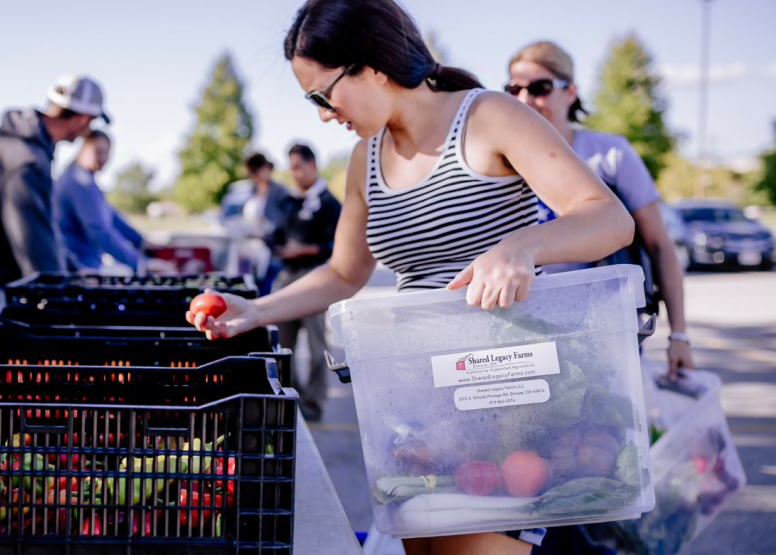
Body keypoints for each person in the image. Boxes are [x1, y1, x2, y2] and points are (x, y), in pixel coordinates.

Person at [189, 1, 634, 554]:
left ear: (370, 66)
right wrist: (256, 310)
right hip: (417, 413)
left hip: (501, 400)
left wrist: (521, 245)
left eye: (322, 95)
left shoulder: (489, 115)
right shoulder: (362, 158)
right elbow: (344, 272)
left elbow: (610, 217)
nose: (323, 114)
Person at [507, 41, 694, 381]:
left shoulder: (610, 154)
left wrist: (678, 335)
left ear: (571, 91)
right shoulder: (500, 161)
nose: (524, 100)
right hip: (525, 331)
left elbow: (660, 246)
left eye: (540, 88)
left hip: (604, 329)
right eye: (513, 88)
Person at [0, 75, 109, 288]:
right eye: (91, 122)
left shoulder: (28, 147)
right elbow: (34, 245)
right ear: (82, 118)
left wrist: (74, 271)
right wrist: (59, 290)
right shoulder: (27, 161)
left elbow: (45, 231)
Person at [270, 144, 342, 421]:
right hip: (287, 277)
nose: (294, 173)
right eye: (291, 167)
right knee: (281, 346)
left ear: (313, 164)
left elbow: (339, 245)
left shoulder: (329, 203)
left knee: (316, 348)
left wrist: (305, 250)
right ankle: (290, 401)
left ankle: (312, 404)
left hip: (315, 277)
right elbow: (277, 233)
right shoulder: (289, 201)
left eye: (298, 166)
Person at [54, 129, 144, 272]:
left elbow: (111, 216)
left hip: (86, 264)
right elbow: (100, 231)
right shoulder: (80, 182)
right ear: (83, 150)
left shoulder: (85, 179)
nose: (103, 157)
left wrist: (141, 240)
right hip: (80, 269)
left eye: (107, 152)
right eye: (98, 151)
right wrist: (140, 264)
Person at [219, 153, 291, 294]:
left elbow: (283, 222)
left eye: (255, 170)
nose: (254, 175)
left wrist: (264, 227)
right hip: (250, 249)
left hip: (270, 250)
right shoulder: (251, 189)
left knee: (266, 290)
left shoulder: (279, 191)